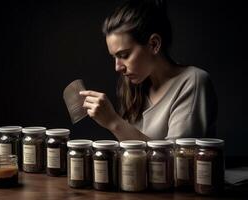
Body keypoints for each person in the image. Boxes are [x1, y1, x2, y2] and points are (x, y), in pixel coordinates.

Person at [79, 0, 217, 141]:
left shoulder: (193, 81)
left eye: (124, 55)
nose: (118, 67)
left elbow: (177, 160)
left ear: (154, 44)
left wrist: (113, 122)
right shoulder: (134, 87)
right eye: (114, 57)